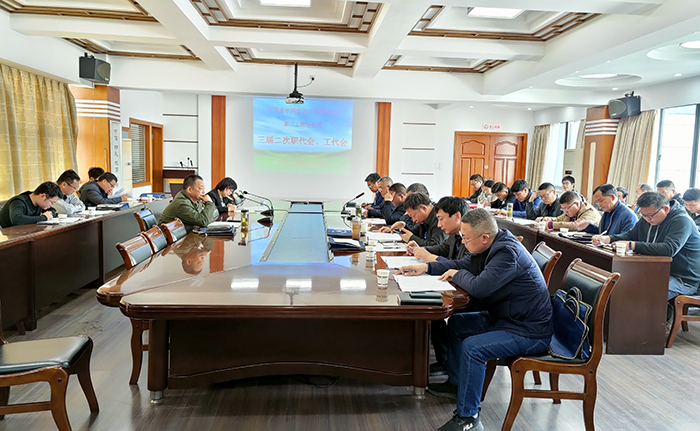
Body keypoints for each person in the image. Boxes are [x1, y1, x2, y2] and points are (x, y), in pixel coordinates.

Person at [396, 209, 553, 431]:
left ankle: (468, 418)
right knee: (458, 324)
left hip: (528, 331)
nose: (462, 242)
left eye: (466, 238)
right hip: (506, 318)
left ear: (484, 237)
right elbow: (462, 265)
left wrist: (456, 274)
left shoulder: (507, 253)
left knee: (473, 348)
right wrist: (426, 267)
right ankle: (456, 383)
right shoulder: (489, 246)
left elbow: (479, 287)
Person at [594, 192, 700, 306]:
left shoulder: (682, 221)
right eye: (643, 215)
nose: (647, 219)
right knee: (621, 286)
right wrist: (608, 239)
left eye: (650, 215)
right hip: (655, 271)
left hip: (683, 279)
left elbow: (669, 249)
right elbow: (631, 235)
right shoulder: (648, 217)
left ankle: (658, 317)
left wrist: (632, 245)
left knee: (646, 294)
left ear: (665, 209)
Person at [405, 196, 469, 377]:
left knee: (434, 308)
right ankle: (442, 358)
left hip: (468, 290)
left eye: (441, 219)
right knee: (426, 301)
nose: (439, 225)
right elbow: (442, 249)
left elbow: (462, 265)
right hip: (454, 282)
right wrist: (422, 250)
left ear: (457, 216)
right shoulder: (454, 233)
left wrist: (430, 260)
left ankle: (447, 361)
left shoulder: (470, 236)